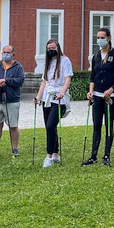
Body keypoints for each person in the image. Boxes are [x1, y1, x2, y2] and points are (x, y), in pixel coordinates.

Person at [83, 28, 114, 166]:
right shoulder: (96, 56)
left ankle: (106, 155)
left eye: (102, 37)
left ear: (108, 38)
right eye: (98, 37)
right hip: (97, 95)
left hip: (111, 96)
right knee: (96, 125)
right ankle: (93, 156)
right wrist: (90, 91)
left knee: (108, 125)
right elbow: (93, 76)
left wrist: (111, 90)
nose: (100, 40)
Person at [34, 39, 73, 168]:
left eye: (53, 48)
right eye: (48, 48)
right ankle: (55, 153)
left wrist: (62, 92)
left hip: (59, 97)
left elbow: (68, 78)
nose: (51, 50)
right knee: (50, 127)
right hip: (47, 98)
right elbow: (44, 82)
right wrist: (38, 97)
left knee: (51, 125)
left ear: (58, 48)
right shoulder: (48, 63)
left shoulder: (65, 60)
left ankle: (49, 156)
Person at [0, 45, 26, 158]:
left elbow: (20, 80)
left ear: (13, 54)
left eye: (8, 52)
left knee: (13, 126)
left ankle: (15, 148)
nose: (5, 54)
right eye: (4, 52)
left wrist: (6, 81)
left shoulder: (18, 67)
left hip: (12, 100)